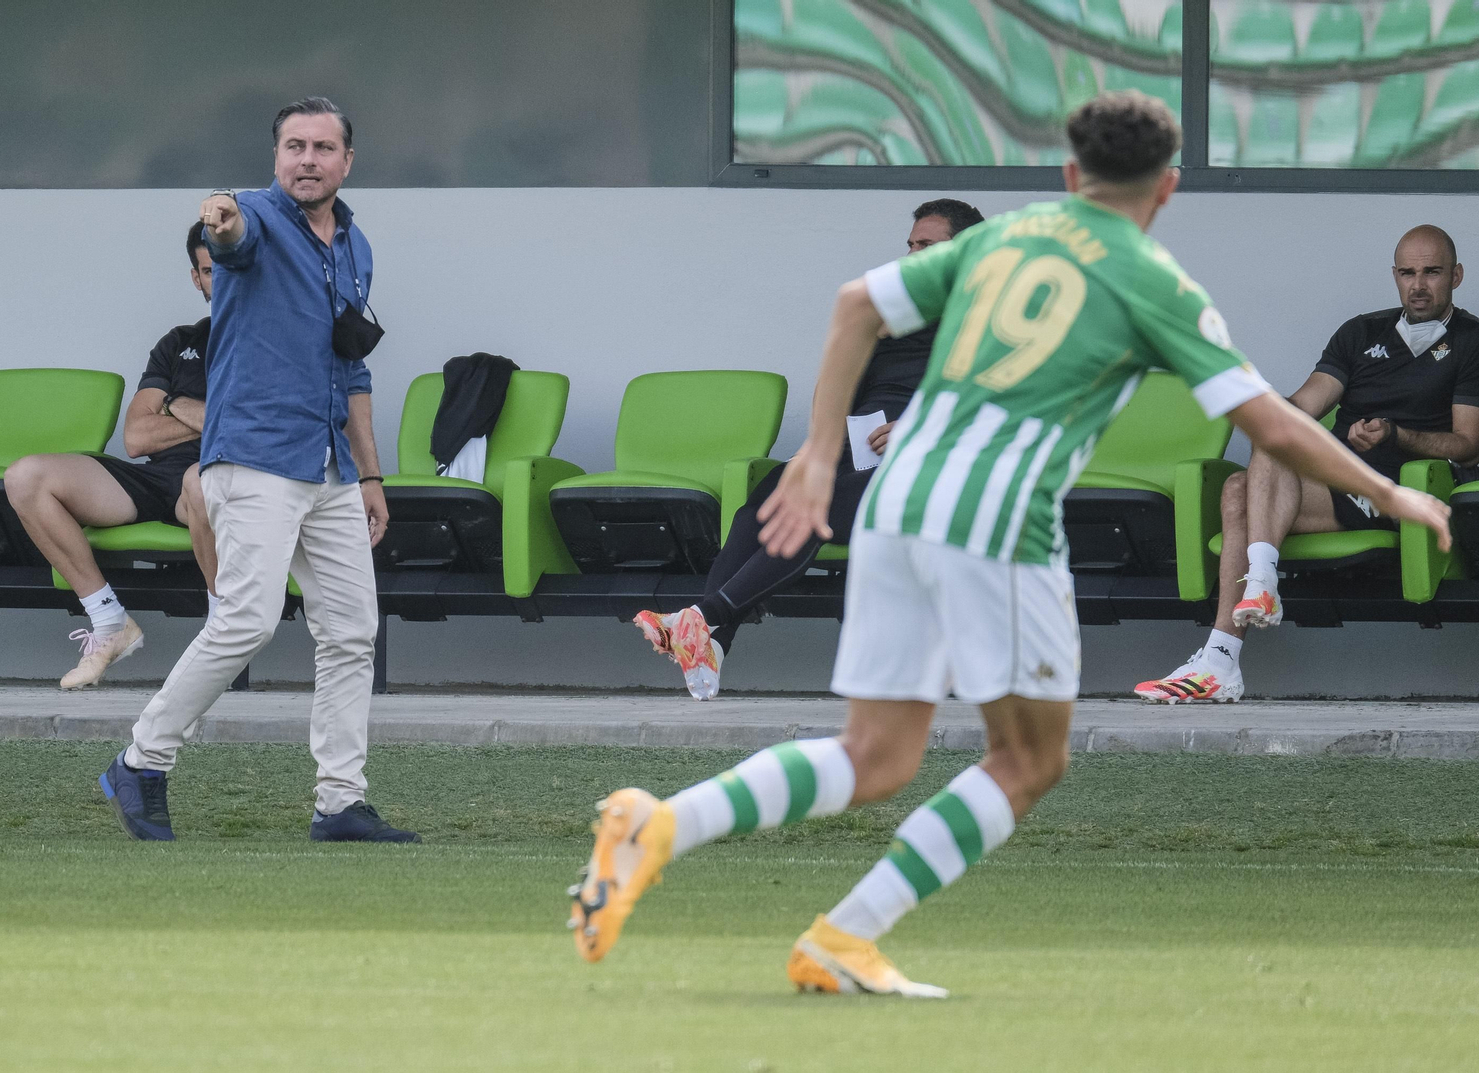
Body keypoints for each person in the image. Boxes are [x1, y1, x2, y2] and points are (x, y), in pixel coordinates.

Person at [564, 91, 1451, 995]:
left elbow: (851, 307)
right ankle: (844, 931)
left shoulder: (995, 243)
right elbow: (1273, 423)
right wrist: (1387, 493)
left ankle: (661, 826)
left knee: (876, 754)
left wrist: (821, 449)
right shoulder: (1157, 288)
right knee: (1028, 758)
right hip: (995, 519)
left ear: (1071, 178)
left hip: (899, 499)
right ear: (1168, 190)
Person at [97, 96, 416, 844]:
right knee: (245, 619)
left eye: (323, 147)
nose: (308, 159)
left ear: (347, 160)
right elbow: (230, 236)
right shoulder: (252, 217)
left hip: (331, 467)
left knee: (351, 632)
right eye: (294, 147)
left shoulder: (354, 246)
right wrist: (222, 220)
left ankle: (340, 802)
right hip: (256, 457)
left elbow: (354, 369)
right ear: (275, 157)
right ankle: (140, 762)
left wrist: (371, 477)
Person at [631, 199, 985, 700]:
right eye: (909, 245)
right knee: (768, 500)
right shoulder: (889, 309)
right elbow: (835, 383)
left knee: (810, 509)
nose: (912, 255)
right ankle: (712, 643)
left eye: (927, 245)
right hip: (860, 449)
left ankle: (702, 620)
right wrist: (814, 449)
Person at [1136, 227, 1478, 703]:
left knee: (1245, 487)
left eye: (1432, 272)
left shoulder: (1470, 340)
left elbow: (1466, 444)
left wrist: (1395, 434)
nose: (1418, 285)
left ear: (1456, 275)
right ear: (1394, 276)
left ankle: (1226, 647)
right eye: (1407, 273)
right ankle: (1241, 621)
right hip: (1332, 481)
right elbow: (1303, 406)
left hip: (1397, 490)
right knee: (1246, 474)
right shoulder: (1361, 332)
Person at [5, 221, 220, 690]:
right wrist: (200, 411)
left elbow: (248, 428)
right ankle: (109, 621)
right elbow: (137, 438)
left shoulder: (270, 342)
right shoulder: (179, 341)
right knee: (26, 477)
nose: (219, 279)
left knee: (202, 481)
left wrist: (173, 404)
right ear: (196, 278)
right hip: (157, 478)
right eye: (208, 270)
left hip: (217, 479)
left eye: (228, 266)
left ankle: (223, 631)